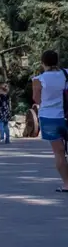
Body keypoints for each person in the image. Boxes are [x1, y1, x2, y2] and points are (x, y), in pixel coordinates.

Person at [31, 50, 68, 192]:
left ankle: (66, 184)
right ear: (57, 61)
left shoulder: (38, 79)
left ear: (43, 62)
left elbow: (36, 99)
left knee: (59, 152)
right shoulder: (66, 73)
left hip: (49, 117)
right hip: (66, 114)